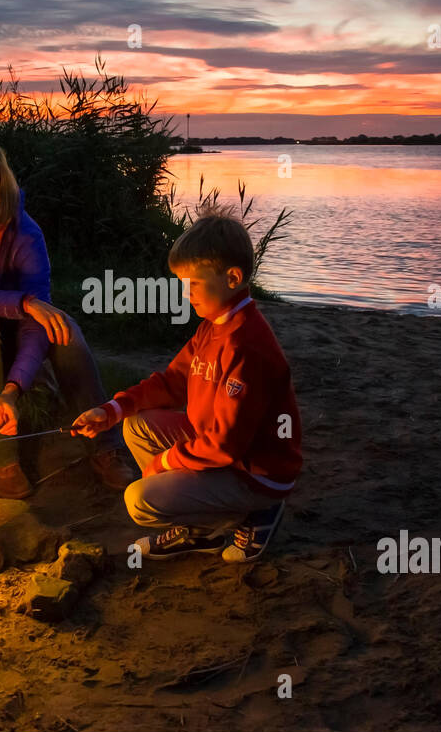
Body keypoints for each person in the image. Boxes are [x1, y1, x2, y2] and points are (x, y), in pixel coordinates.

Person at [71, 211, 302, 562]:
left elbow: (225, 446)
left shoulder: (246, 348)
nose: (185, 293)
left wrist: (165, 461)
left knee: (139, 500)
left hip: (257, 473)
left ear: (232, 277)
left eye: (192, 283)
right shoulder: (212, 327)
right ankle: (201, 529)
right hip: (224, 452)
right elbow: (173, 381)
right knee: (135, 425)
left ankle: (256, 514)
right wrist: (111, 410)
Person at [0, 135, 137, 498]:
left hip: (17, 327)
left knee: (64, 331)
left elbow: (37, 322)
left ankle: (105, 445)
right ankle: (0, 458)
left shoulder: (26, 233)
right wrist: (26, 302)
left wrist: (14, 388)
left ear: (3, 186)